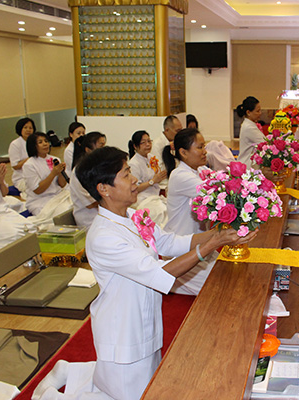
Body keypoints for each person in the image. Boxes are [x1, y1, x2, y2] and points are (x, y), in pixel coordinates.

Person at [75, 146, 256, 400]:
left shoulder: (133, 217)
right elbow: (162, 273)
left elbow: (171, 243)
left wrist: (220, 234)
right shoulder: (104, 237)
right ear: (104, 189)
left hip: (146, 323)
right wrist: (212, 244)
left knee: (152, 389)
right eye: (126, 175)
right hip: (123, 336)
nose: (135, 179)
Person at [163, 128, 216, 294]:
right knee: (219, 286)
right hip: (182, 249)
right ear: (183, 152)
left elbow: (220, 181)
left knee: (229, 272)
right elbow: (218, 192)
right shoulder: (180, 175)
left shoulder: (199, 170)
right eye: (199, 147)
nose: (204, 151)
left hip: (200, 243)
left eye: (204, 146)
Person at [23, 132, 70, 216]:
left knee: (75, 205)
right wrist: (53, 173)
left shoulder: (55, 159)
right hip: (40, 200)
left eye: (46, 141)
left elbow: (62, 184)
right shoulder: (29, 165)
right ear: (33, 146)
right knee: (63, 212)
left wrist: (60, 173)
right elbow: (38, 190)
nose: (45, 144)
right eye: (40, 142)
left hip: (58, 195)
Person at [127, 130, 168, 227]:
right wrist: (153, 181)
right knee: (162, 211)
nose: (148, 144)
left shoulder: (151, 157)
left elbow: (157, 176)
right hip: (142, 198)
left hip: (155, 195)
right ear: (135, 146)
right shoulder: (133, 163)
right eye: (143, 142)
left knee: (170, 207)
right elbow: (135, 188)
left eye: (149, 141)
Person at [69, 132, 107, 228]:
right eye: (100, 145)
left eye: (104, 145)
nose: (104, 149)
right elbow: (90, 204)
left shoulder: (100, 167)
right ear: (88, 150)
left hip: (104, 211)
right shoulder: (78, 171)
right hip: (89, 218)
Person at [8, 117, 36, 194]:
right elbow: (15, 166)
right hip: (22, 178)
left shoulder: (35, 142)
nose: (28, 130)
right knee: (37, 189)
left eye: (31, 128)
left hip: (36, 174)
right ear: (20, 129)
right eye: (25, 127)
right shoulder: (15, 144)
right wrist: (30, 158)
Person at [236, 96, 265, 169]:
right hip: (247, 166)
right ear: (248, 112)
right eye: (257, 111)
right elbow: (265, 143)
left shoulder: (249, 124)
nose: (260, 113)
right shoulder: (249, 127)